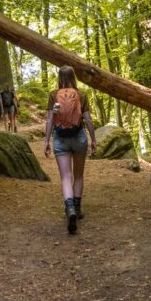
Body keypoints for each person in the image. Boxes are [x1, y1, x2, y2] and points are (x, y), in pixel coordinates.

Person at [44, 66, 96, 234]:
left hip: (60, 138)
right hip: (78, 137)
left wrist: (46, 141)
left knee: (66, 176)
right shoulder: (81, 94)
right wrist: (93, 139)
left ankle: (70, 209)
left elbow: (50, 119)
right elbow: (87, 118)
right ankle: (78, 208)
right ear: (74, 77)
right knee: (78, 175)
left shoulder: (53, 94)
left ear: (59, 77)